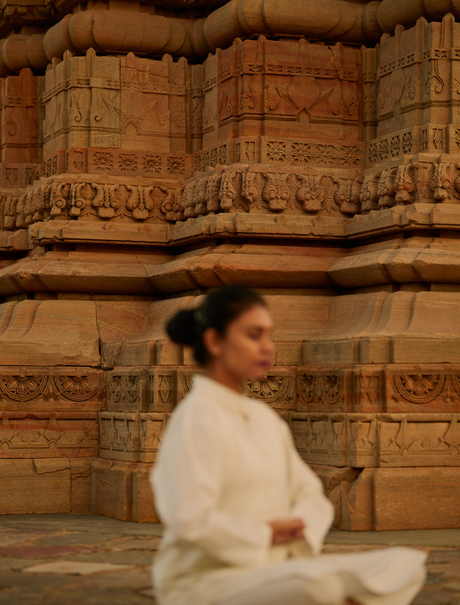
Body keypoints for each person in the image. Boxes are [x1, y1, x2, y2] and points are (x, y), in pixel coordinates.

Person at [150, 286, 427, 605]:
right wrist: (265, 533)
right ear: (214, 341)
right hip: (203, 580)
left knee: (404, 567)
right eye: (255, 335)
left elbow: (309, 494)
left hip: (277, 566)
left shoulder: (263, 417)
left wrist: (298, 530)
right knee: (319, 588)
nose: (268, 347)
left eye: (270, 335)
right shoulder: (196, 418)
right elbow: (188, 520)